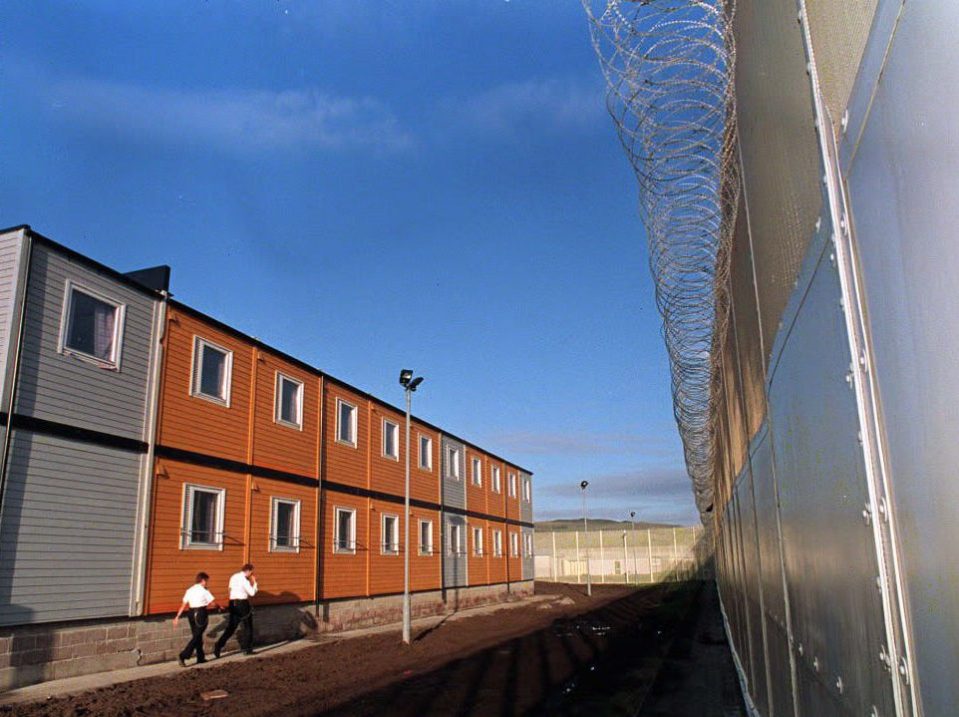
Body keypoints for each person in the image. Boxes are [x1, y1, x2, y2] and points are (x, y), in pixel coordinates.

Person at [173, 572, 222, 667]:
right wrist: (219, 606)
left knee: (197, 635)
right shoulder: (204, 591)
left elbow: (184, 604)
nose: (207, 583)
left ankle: (200, 657)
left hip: (190, 613)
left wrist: (177, 616)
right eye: (206, 581)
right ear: (203, 580)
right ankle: (183, 655)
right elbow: (212, 603)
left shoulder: (189, 590)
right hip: (200, 613)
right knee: (197, 636)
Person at [214, 563, 258, 657]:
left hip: (233, 603)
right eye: (251, 572)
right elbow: (252, 593)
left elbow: (229, 589)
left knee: (231, 627)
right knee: (248, 627)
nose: (251, 574)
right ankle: (247, 649)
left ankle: (218, 646)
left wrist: (232, 600)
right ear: (248, 571)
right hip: (242, 604)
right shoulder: (245, 580)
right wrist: (254, 583)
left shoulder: (233, 576)